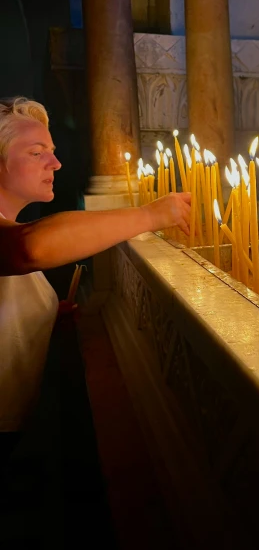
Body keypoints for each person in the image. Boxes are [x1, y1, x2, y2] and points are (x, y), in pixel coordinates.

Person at [0, 97, 191, 462]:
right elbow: (27, 249)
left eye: (52, 151)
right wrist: (150, 215)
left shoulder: (14, 222)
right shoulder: (18, 236)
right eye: (37, 153)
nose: (55, 163)